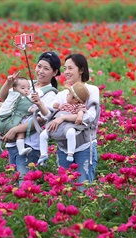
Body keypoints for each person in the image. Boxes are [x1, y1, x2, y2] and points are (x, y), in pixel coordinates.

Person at [0, 52, 61, 181]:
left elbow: (41, 119)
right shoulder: (27, 84)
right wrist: (8, 83)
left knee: (25, 184)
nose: (41, 71)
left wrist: (15, 130)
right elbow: (3, 98)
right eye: (39, 66)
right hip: (12, 142)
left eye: (46, 68)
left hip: (30, 145)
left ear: (55, 73)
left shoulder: (51, 94)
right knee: (14, 183)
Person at [47, 54, 100, 185]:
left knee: (83, 187)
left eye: (70, 68)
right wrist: (38, 104)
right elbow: (49, 115)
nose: (66, 72)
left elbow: (90, 117)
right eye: (65, 68)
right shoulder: (62, 94)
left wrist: (63, 117)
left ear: (81, 70)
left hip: (85, 146)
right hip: (63, 147)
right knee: (64, 188)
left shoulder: (91, 90)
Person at [0, 76, 49, 156]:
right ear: (15, 88)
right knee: (20, 133)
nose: (26, 90)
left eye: (28, 88)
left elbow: (1, 98)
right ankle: (21, 149)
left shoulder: (11, 95)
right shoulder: (24, 100)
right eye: (23, 88)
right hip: (12, 124)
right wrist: (39, 106)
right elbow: (32, 110)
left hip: (0, 121)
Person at [38, 82, 90, 165]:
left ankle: (70, 153)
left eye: (69, 94)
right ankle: (43, 154)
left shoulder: (78, 106)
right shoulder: (65, 104)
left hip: (67, 125)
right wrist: (56, 106)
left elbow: (81, 112)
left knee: (71, 133)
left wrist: (79, 116)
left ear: (75, 99)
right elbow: (57, 111)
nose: (66, 95)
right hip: (57, 125)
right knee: (43, 135)